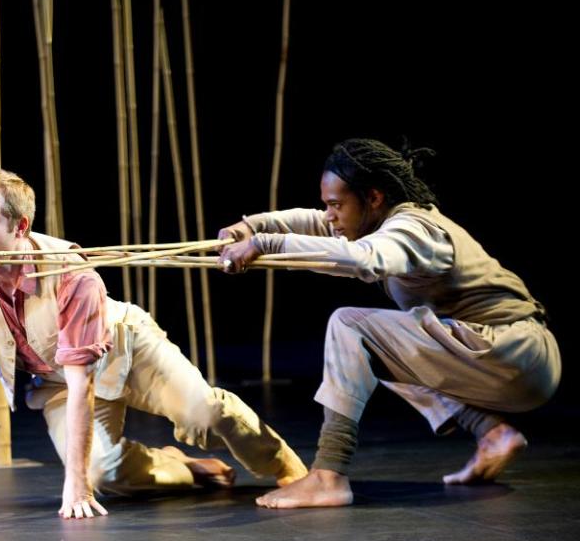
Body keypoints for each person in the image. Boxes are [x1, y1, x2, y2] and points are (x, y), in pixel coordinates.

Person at [0, 168, 307, 519]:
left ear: (20, 227)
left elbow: (85, 383)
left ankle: (286, 467)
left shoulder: (72, 274)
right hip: (58, 380)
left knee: (205, 414)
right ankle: (181, 467)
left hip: (127, 350)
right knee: (102, 475)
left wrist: (73, 486)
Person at [218, 138, 560, 509]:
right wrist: (251, 226)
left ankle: (327, 475)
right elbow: (318, 223)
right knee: (380, 348)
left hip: (515, 351)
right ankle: (492, 433)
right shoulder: (377, 221)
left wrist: (267, 243)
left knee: (351, 327)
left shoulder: (414, 228)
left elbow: (367, 260)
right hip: (502, 358)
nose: (330, 215)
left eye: (336, 205)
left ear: (375, 198)